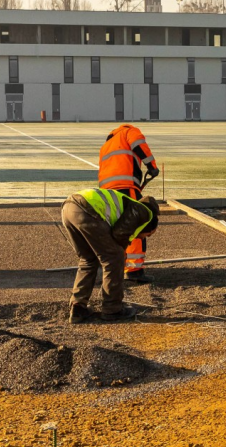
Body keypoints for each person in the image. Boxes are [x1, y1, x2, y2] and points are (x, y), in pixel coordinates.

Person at [60, 187, 159, 323]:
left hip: (69, 208)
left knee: (88, 259)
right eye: (148, 234)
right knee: (114, 258)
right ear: (148, 226)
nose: (143, 238)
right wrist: (121, 253)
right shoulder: (144, 212)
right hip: (86, 209)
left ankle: (78, 308)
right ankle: (113, 309)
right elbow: (118, 235)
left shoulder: (128, 206)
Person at [98, 124, 159, 282]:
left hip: (107, 191)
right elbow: (139, 145)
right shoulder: (129, 131)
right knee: (136, 224)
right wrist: (152, 167)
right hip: (126, 186)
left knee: (116, 227)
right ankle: (134, 270)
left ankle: (116, 266)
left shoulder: (106, 145)